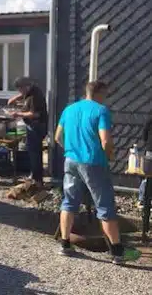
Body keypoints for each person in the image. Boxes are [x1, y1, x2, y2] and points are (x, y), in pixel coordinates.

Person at [54, 81, 138, 264]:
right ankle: (117, 252)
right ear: (99, 92)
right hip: (93, 163)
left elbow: (57, 137)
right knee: (105, 206)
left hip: (71, 161)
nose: (106, 97)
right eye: (105, 93)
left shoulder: (69, 110)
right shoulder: (101, 111)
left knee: (69, 202)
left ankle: (65, 244)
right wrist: (109, 156)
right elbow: (106, 141)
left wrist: (71, 150)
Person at [10, 77, 48, 184]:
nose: (20, 92)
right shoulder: (29, 92)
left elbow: (35, 114)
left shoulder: (35, 95)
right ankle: (34, 176)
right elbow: (23, 96)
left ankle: (37, 179)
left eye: (20, 89)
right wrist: (15, 98)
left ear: (26, 86)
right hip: (32, 126)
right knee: (32, 152)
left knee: (35, 153)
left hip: (36, 126)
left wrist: (17, 114)